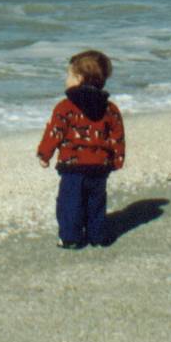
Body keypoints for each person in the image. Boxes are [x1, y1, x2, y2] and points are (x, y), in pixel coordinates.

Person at [37, 50, 125, 249]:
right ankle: (97, 236)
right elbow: (117, 135)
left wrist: (45, 155)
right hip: (100, 166)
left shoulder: (65, 107)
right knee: (96, 202)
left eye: (68, 75)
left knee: (70, 203)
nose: (66, 79)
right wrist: (118, 159)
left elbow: (55, 132)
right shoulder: (110, 108)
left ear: (79, 78)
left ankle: (70, 237)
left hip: (73, 166)